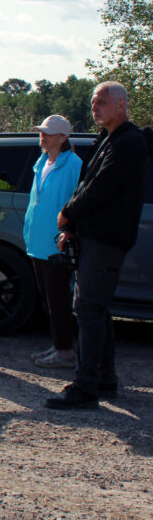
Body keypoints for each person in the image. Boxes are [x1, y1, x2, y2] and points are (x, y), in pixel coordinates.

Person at [46, 81, 150, 410]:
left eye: (102, 101)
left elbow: (102, 187)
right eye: (93, 101)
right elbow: (86, 184)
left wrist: (67, 214)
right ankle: (104, 379)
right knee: (97, 310)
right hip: (93, 236)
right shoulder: (106, 139)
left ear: (121, 105)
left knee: (88, 310)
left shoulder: (129, 142)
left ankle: (85, 388)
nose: (95, 107)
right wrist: (73, 226)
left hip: (107, 240)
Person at [23, 115, 82, 369]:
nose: (43, 136)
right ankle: (59, 345)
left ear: (63, 138)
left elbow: (77, 202)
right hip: (37, 241)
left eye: (48, 133)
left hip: (55, 243)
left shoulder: (74, 164)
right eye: (42, 132)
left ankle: (66, 352)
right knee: (48, 300)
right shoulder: (41, 161)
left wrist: (68, 231)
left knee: (58, 300)